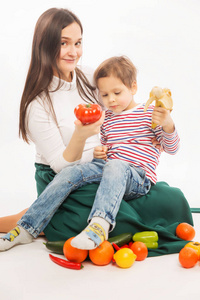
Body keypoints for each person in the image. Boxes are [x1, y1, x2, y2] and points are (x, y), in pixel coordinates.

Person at [0, 56, 180, 251]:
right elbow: (103, 148)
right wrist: (99, 153)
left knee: (116, 164)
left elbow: (172, 148)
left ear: (133, 87)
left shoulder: (150, 113)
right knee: (71, 172)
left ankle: (99, 226)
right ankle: (27, 228)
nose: (111, 100)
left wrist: (168, 126)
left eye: (117, 92)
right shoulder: (107, 117)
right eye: (104, 95)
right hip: (110, 169)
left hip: (138, 177)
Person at [0, 8, 104, 241]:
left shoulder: (89, 77)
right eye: (63, 43)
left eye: (78, 43)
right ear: (45, 46)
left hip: (98, 171)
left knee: (168, 200)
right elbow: (60, 166)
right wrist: (81, 135)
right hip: (60, 179)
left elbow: (119, 105)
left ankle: (41, 215)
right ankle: (35, 216)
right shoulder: (37, 104)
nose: (73, 52)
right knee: (100, 217)